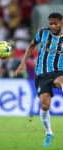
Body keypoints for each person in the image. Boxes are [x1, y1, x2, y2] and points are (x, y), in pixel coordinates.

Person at [15, 12, 63, 147]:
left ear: (62, 23)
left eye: (56, 23)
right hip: (41, 74)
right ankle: (49, 132)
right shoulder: (42, 33)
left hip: (59, 71)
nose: (53, 26)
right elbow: (31, 45)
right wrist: (22, 63)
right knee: (45, 106)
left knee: (60, 81)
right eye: (51, 23)